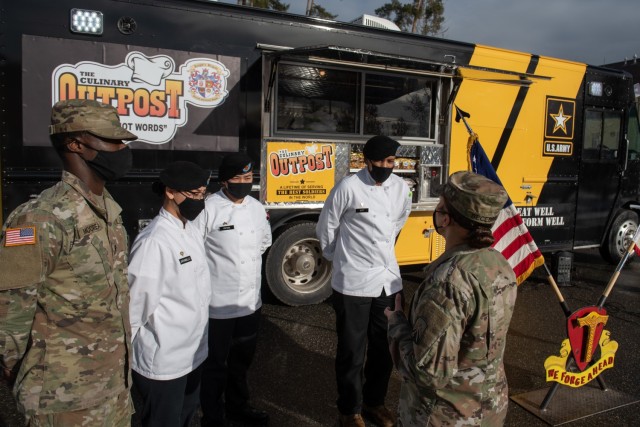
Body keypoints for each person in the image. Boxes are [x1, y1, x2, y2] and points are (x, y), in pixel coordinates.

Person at [0, 99, 137, 426]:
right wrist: (23, 376)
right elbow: (9, 316)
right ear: (76, 144)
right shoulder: (38, 219)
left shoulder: (108, 210)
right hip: (62, 400)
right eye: (111, 140)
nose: (122, 148)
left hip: (114, 388)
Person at [385, 171, 517, 427]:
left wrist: (396, 323)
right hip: (490, 410)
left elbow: (427, 373)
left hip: (444, 416)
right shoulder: (499, 264)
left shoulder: (448, 283)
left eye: (440, 208)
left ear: (445, 219)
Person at [316, 135, 412, 427]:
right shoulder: (348, 187)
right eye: (382, 162)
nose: (387, 166)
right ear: (367, 162)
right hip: (353, 284)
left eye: (391, 161)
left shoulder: (400, 188)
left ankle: (374, 403)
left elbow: (399, 220)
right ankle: (349, 410)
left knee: (385, 348)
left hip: (388, 282)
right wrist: (342, 258)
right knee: (351, 351)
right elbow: (327, 228)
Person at [128, 161, 212, 427]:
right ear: (170, 192)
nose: (200, 200)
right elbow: (135, 306)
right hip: (164, 360)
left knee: (187, 416)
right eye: (194, 194)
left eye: (203, 194)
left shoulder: (191, 230)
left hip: (193, 352)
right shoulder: (154, 241)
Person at [197, 152, 272, 427]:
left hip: (250, 302)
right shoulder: (208, 209)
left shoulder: (255, 206)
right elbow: (194, 250)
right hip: (217, 304)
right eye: (238, 178)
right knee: (215, 365)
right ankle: (213, 417)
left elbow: (264, 241)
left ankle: (238, 407)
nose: (244, 182)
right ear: (224, 181)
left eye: (248, 177)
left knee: (242, 361)